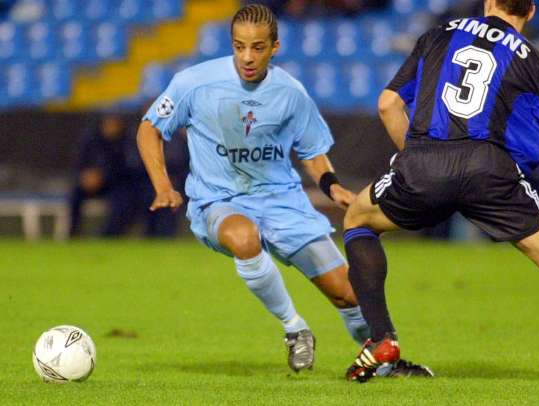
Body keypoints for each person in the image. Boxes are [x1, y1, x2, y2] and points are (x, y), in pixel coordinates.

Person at [137, 4, 417, 375]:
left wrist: (332, 186)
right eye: (239, 47)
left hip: (282, 201)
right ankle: (295, 328)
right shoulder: (195, 82)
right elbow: (150, 128)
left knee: (348, 293)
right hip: (219, 200)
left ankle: (387, 366)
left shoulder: (291, 92)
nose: (247, 57)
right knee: (244, 237)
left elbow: (313, 150)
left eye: (257, 48)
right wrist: (163, 187)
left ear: (275, 47)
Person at [342, 0, 539, 382]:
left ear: (488, 3)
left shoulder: (440, 34)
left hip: (424, 163)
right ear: (530, 12)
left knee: (357, 218)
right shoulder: (528, 56)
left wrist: (418, 162)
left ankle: (381, 339)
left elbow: (388, 105)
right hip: (490, 171)